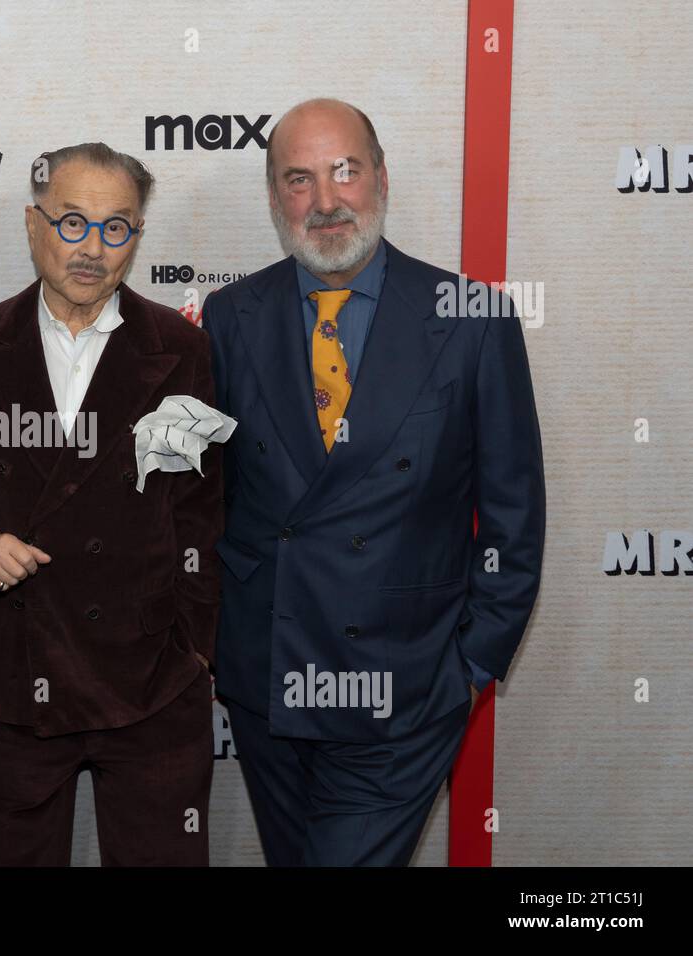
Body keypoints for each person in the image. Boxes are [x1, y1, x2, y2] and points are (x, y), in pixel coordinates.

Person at [203, 98, 545, 866]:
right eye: (298, 179)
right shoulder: (232, 315)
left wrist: (470, 666)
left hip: (407, 690)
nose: (325, 201)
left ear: (381, 177)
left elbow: (513, 516)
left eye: (344, 171)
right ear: (274, 198)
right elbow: (206, 500)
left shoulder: (472, 318)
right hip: (270, 686)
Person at [0, 142, 224, 866]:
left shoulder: (180, 348)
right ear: (33, 225)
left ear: (137, 236)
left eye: (116, 227)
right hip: (15, 681)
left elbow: (201, 510)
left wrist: (192, 646)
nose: (92, 248)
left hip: (152, 685)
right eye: (72, 222)